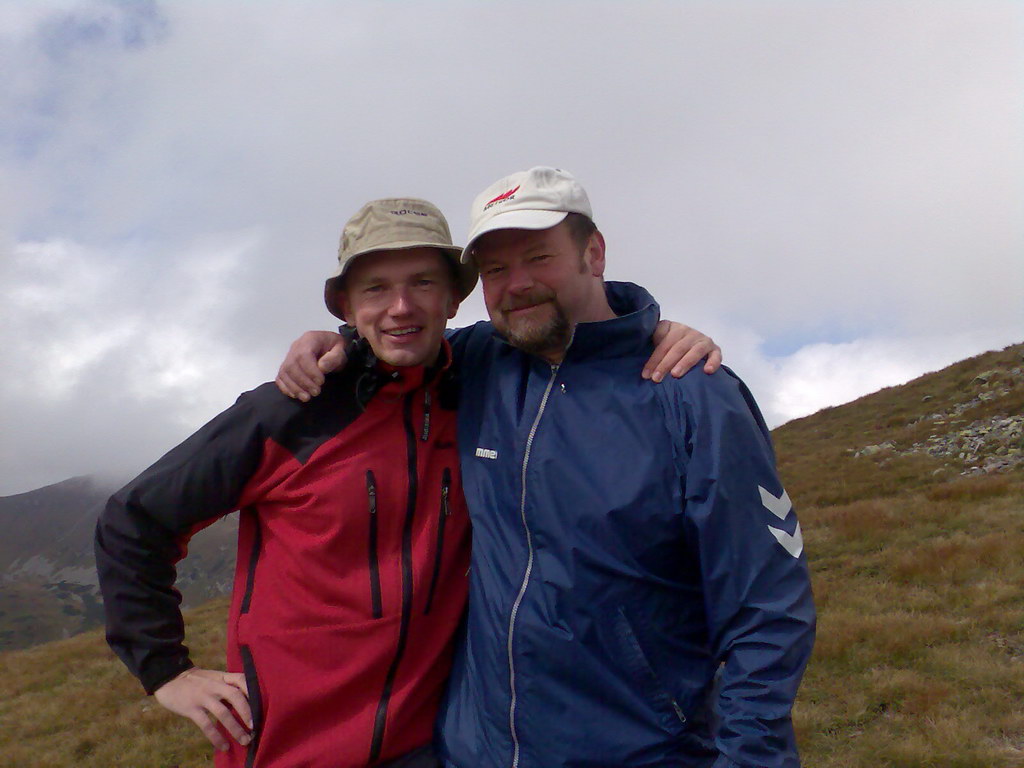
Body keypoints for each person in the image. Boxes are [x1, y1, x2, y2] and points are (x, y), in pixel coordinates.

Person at [95, 196, 718, 768]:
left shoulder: (484, 384)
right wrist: (165, 671)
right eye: (376, 288)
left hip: (435, 746)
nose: (401, 306)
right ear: (346, 306)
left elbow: (573, 331)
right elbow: (135, 518)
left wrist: (652, 332)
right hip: (287, 749)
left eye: (423, 282)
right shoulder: (293, 409)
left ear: (453, 299)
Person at [278, 167, 815, 768]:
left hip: (642, 750)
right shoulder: (480, 361)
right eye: (496, 270)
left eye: (539, 257)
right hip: (472, 753)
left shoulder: (692, 396)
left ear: (594, 253)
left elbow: (767, 611)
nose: (517, 285)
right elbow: (402, 335)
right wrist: (342, 342)